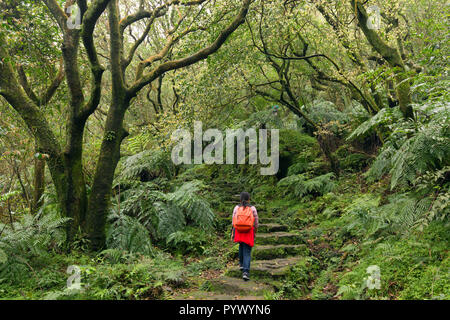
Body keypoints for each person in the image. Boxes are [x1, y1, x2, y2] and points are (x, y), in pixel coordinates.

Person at [231, 192, 258, 281]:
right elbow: (256, 222)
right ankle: (246, 272)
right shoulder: (252, 208)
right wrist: (255, 232)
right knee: (247, 250)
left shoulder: (237, 208)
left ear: (240, 199)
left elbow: (233, 220)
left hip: (239, 231)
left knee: (241, 246)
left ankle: (242, 265)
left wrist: (233, 232)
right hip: (248, 231)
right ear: (249, 199)